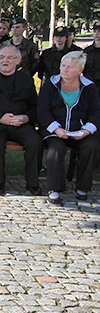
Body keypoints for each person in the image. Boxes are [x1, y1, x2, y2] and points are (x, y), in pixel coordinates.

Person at [0, 43, 43, 196]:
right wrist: (0, 118)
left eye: (10, 58)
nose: (5, 61)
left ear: (18, 60)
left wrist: (25, 118)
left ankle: (33, 183)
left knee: (35, 141)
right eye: (2, 57)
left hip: (20, 123)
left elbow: (34, 105)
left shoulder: (26, 80)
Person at [37, 51, 100, 205]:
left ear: (80, 70)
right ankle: (54, 189)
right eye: (63, 66)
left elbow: (95, 112)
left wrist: (86, 130)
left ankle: (83, 188)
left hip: (80, 130)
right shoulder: (51, 84)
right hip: (55, 130)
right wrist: (57, 129)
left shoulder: (89, 87)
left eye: (70, 67)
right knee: (56, 148)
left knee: (91, 145)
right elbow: (42, 110)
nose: (65, 69)